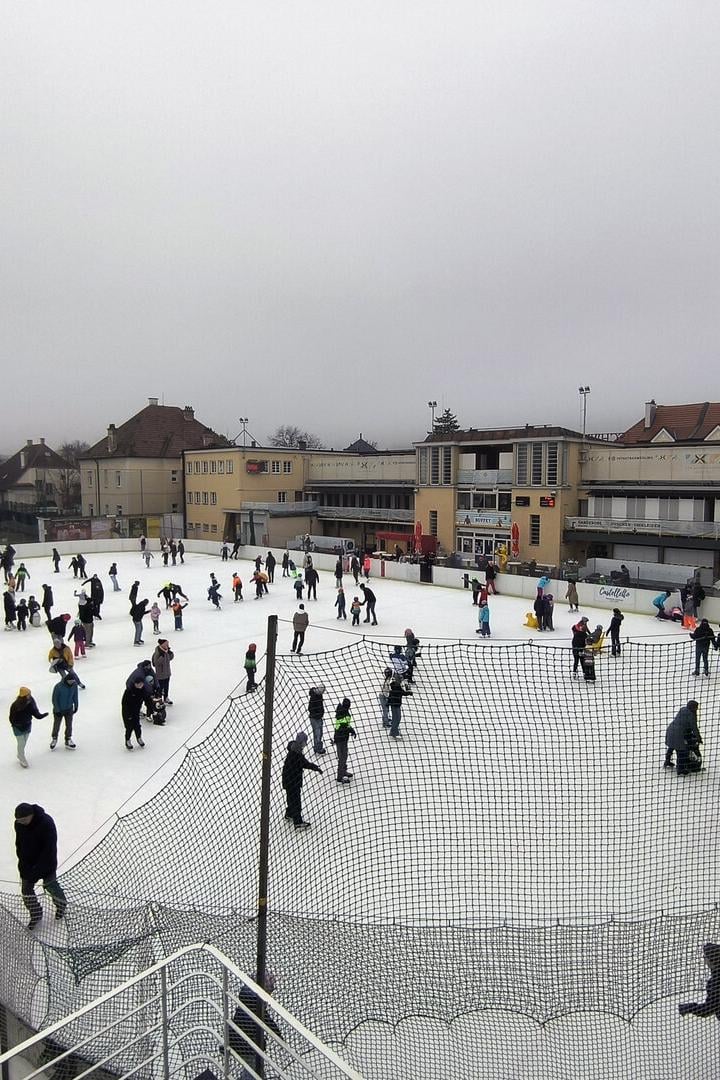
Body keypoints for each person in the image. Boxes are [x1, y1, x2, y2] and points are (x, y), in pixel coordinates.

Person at [14, 803, 67, 928]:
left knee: (50, 885)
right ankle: (36, 913)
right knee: (26, 890)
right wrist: (23, 865)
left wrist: (37, 870)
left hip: (47, 862)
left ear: (31, 815)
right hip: (28, 862)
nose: (21, 822)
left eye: (24, 819)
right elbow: (19, 845)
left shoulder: (46, 823)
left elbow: (49, 850)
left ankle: (61, 905)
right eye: (19, 820)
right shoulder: (19, 824)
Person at [228, 971, 283, 1075]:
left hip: (240, 1040)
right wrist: (278, 1035)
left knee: (251, 1069)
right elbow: (267, 1020)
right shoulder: (254, 1001)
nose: (273, 987)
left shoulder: (247, 995)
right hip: (246, 1044)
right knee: (254, 1071)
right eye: (270, 983)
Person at [282, 731, 322, 829]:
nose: (305, 745)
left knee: (291, 798)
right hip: (293, 781)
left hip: (288, 780)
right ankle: (298, 821)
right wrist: (316, 768)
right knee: (296, 801)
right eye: (304, 742)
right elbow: (305, 763)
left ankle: (290, 813)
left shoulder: (294, 750)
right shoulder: (297, 753)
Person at [679, 943, 720, 1020]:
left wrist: (689, 1007)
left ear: (712, 960)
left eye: (705, 957)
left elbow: (707, 1009)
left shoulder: (715, 983)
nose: (704, 959)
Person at [9, 688, 48, 768]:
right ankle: (21, 757)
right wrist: (15, 724)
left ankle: (20, 753)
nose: (30, 695)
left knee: (24, 742)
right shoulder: (15, 705)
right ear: (23, 696)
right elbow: (11, 717)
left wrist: (41, 716)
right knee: (21, 743)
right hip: (18, 727)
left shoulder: (31, 702)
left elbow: (35, 712)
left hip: (27, 725)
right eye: (28, 694)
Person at [665, 700, 702, 774]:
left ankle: (667, 761)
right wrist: (699, 738)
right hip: (678, 734)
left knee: (672, 746)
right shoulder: (691, 715)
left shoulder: (683, 709)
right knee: (681, 751)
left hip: (670, 729)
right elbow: (694, 728)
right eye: (696, 707)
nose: (697, 709)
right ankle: (680, 769)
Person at [50, 674, 79, 750]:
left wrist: (76, 705)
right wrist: (57, 710)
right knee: (57, 725)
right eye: (70, 681)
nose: (72, 683)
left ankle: (68, 739)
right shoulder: (58, 687)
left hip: (69, 709)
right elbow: (54, 699)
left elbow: (75, 695)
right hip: (59, 710)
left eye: (73, 681)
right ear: (66, 680)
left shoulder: (74, 685)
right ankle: (54, 738)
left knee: (69, 725)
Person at [333, 698, 356, 782]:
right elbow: (343, 726)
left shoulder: (343, 712)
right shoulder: (342, 713)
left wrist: (351, 730)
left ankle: (343, 771)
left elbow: (346, 725)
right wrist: (350, 730)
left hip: (343, 738)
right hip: (340, 738)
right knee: (342, 757)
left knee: (344, 756)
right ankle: (340, 776)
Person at [122, 679, 147, 750]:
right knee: (129, 727)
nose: (141, 686)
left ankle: (139, 738)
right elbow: (124, 704)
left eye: (142, 684)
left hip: (136, 711)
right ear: (135, 684)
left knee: (137, 726)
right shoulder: (129, 691)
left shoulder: (142, 691)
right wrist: (128, 715)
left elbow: (146, 698)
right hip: (128, 712)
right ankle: (127, 740)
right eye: (139, 684)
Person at [153, 639, 174, 704]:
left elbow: (170, 658)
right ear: (162, 645)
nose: (167, 646)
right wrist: (163, 655)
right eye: (166, 644)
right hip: (160, 674)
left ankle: (166, 697)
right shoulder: (158, 652)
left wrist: (170, 653)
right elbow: (156, 663)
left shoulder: (166, 651)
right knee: (160, 688)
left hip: (167, 673)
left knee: (166, 686)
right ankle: (159, 699)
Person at [308, 685, 326, 754]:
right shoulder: (313, 697)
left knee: (319, 733)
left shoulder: (319, 695)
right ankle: (318, 748)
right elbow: (310, 708)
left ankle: (317, 747)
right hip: (314, 718)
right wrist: (317, 714)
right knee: (317, 733)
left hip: (319, 718)